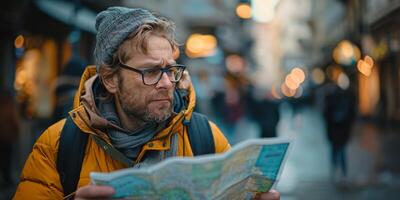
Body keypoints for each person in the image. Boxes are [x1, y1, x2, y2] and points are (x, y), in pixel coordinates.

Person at [13, 7, 280, 200]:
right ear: (110, 80)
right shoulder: (59, 144)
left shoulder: (205, 138)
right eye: (151, 72)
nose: (166, 83)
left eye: (170, 70)